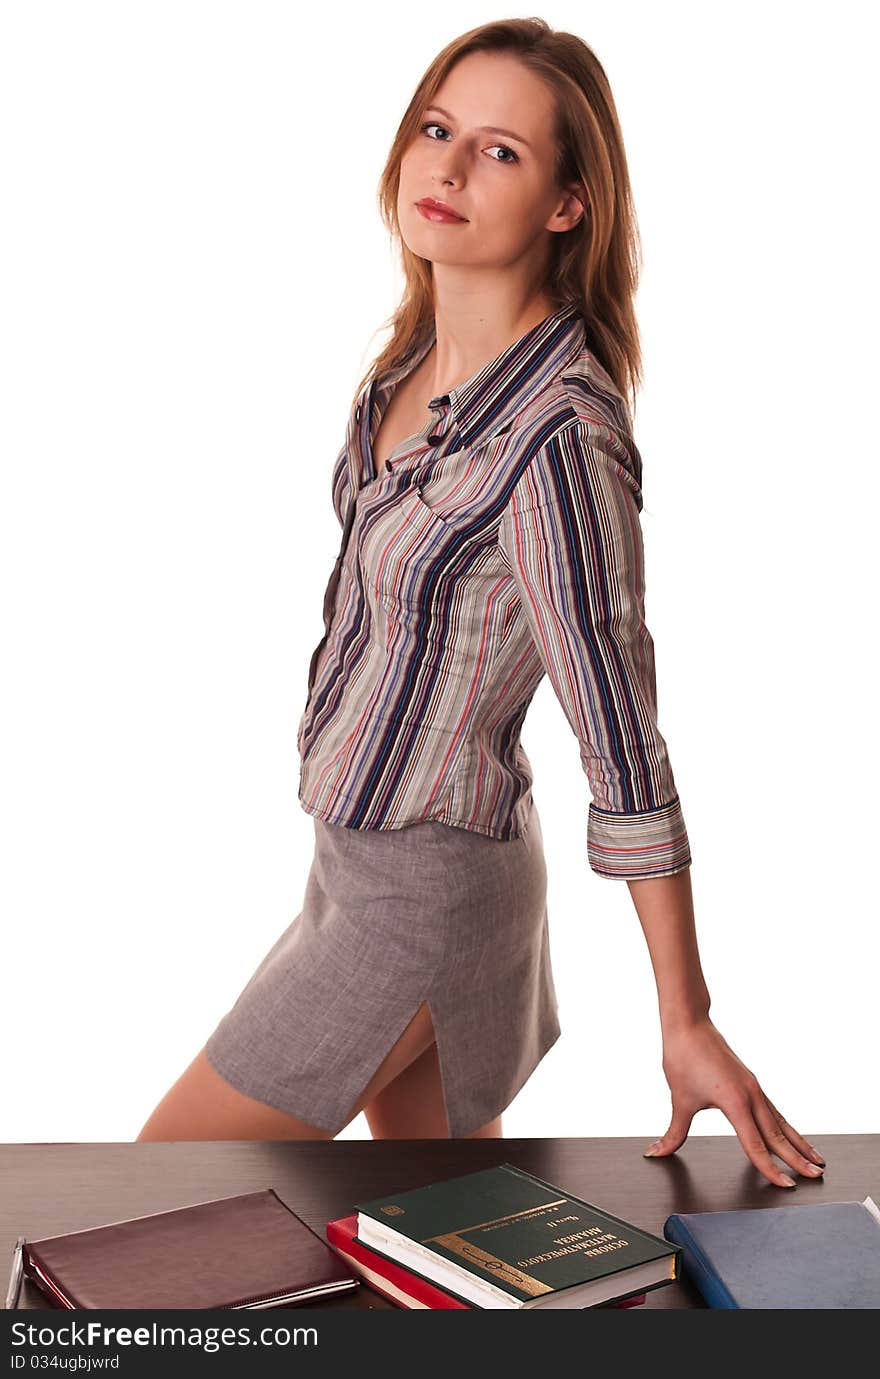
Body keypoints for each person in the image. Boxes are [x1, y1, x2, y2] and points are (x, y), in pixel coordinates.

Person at [137, 18, 826, 1186]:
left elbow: (620, 734)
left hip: (423, 896)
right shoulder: (406, 369)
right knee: (453, 1244)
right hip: (355, 866)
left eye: (500, 151)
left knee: (144, 1199)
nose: (446, 169)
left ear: (569, 202)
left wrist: (684, 1016)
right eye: (436, 129)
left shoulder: (557, 435)